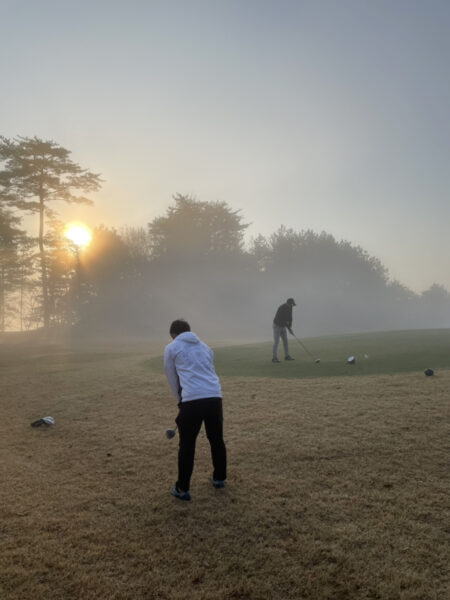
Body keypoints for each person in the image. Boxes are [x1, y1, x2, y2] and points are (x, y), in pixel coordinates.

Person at [164, 319, 227, 501]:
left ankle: (182, 488)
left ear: (173, 335)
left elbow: (171, 377)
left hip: (191, 399)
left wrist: (180, 401)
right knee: (216, 439)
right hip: (215, 396)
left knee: (187, 444)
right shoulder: (205, 346)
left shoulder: (171, 347)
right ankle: (219, 478)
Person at [272, 298, 296, 363]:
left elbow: (290, 318)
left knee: (285, 341)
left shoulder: (290, 308)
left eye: (293, 305)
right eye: (291, 304)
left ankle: (287, 356)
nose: (292, 306)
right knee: (276, 342)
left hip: (283, 326)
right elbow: (283, 320)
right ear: (288, 303)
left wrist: (290, 327)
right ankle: (274, 358)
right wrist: (289, 329)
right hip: (277, 325)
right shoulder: (281, 308)